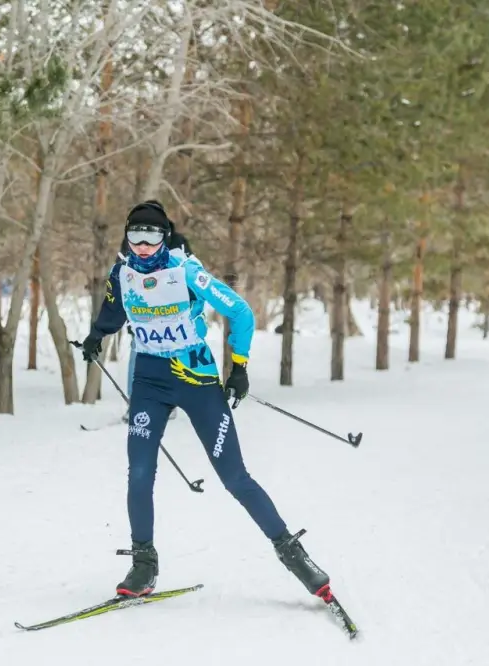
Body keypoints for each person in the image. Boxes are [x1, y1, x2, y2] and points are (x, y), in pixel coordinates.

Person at [79, 201, 333, 603]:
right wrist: (96, 336)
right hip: (149, 382)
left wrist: (239, 367)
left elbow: (241, 313)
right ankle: (144, 564)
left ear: (165, 238)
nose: (142, 246)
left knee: (235, 478)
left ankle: (296, 557)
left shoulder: (185, 272)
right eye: (135, 236)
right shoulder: (121, 273)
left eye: (152, 236)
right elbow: (112, 311)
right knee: (139, 472)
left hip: (196, 381)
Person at [116, 201, 191, 422]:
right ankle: (135, 404)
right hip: (141, 309)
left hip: (172, 310)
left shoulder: (178, 242)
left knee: (171, 357)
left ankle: (168, 403)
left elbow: (189, 273)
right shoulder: (129, 240)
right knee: (138, 353)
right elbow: (121, 272)